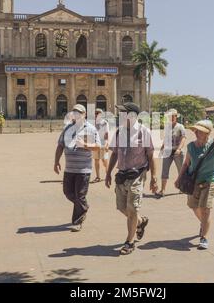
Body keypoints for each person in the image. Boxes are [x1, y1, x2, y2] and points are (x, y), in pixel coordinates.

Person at [106, 102, 158, 255]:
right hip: (121, 175)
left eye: (123, 112)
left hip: (137, 175)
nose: (119, 115)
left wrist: (154, 177)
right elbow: (115, 153)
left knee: (133, 208)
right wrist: (108, 172)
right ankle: (141, 222)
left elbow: (151, 155)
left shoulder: (144, 132)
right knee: (122, 207)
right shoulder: (118, 132)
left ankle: (129, 242)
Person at [175, 120, 214, 250]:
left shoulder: (213, 144)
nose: (196, 132)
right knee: (193, 206)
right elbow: (186, 163)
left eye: (200, 131)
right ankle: (204, 224)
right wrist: (179, 178)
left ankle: (204, 237)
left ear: (207, 133)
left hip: (210, 180)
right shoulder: (191, 146)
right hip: (194, 181)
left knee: (205, 209)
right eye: (196, 130)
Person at [54, 104, 101, 232]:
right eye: (74, 112)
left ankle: (78, 221)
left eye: (79, 112)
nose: (77, 114)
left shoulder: (91, 129)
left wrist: (85, 145)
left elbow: (98, 147)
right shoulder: (67, 128)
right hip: (69, 168)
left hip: (83, 169)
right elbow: (60, 145)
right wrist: (56, 162)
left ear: (85, 114)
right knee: (68, 192)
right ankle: (84, 206)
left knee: (79, 195)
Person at [157, 109, 187, 198]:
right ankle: (162, 190)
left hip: (177, 152)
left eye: (173, 116)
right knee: (164, 171)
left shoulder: (180, 126)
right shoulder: (167, 126)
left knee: (180, 170)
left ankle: (182, 188)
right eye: (170, 116)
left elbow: (183, 138)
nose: (172, 117)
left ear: (176, 116)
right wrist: (161, 148)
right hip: (168, 151)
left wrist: (179, 149)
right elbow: (166, 139)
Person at [92, 109, 110, 183]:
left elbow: (106, 133)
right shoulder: (93, 123)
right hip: (96, 143)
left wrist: (106, 144)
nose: (96, 115)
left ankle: (107, 174)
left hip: (103, 143)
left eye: (98, 113)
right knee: (96, 160)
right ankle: (98, 176)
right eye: (95, 113)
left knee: (104, 160)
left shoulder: (105, 123)